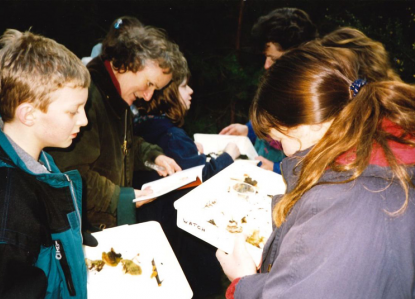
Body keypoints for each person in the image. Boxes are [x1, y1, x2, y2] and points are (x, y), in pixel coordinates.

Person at [216, 41, 415, 298]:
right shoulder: (372, 162)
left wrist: (242, 282)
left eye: (281, 139)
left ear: (312, 123)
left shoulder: (341, 199)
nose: (286, 152)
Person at [0, 29, 90, 298]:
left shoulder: (36, 161)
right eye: (73, 111)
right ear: (29, 114)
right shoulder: (9, 209)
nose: (84, 120)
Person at [48, 17, 185, 229]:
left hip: (105, 225)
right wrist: (122, 198)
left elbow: (125, 144)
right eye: (149, 84)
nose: (148, 97)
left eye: (155, 89)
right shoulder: (88, 99)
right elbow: (70, 173)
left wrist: (153, 156)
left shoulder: (118, 98)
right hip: (84, 230)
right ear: (128, 62)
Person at [133, 60, 241, 298]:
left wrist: (192, 151)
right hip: (183, 236)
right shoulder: (172, 135)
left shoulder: (143, 126)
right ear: (169, 93)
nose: (191, 91)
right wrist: (229, 155)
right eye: (184, 86)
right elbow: (203, 177)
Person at [219, 8, 318, 173]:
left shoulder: (312, 97)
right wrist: (249, 130)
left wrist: (276, 168)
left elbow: (313, 163)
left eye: (273, 58)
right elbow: (269, 121)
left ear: (298, 55)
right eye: (266, 57)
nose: (266, 65)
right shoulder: (279, 85)